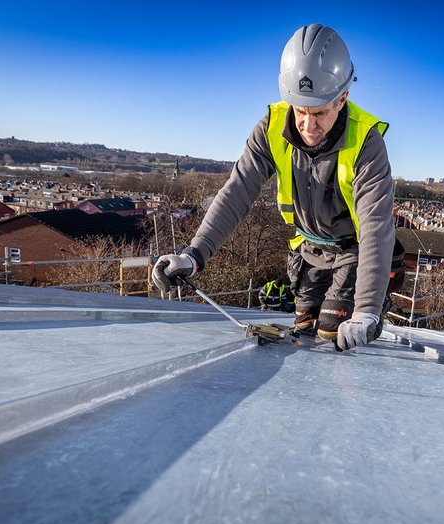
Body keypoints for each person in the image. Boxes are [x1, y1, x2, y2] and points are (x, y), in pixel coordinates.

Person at [153, 23, 395, 351]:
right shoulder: (270, 128)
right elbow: (237, 191)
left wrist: (366, 310)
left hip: (352, 250)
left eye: (320, 113)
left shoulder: (366, 142)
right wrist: (193, 255)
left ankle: (375, 306)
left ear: (343, 98)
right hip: (309, 249)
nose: (309, 125)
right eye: (301, 111)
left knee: (330, 334)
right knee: (305, 329)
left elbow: (376, 228)